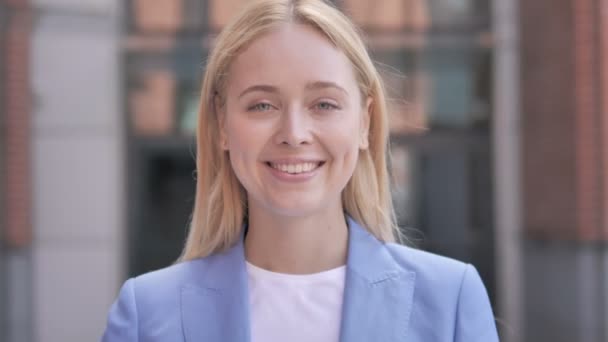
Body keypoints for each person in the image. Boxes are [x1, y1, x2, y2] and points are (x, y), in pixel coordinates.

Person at [101, 0, 499, 341]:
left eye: (323, 104)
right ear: (222, 125)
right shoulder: (146, 315)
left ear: (365, 122)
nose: (294, 134)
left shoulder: (450, 301)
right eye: (262, 105)